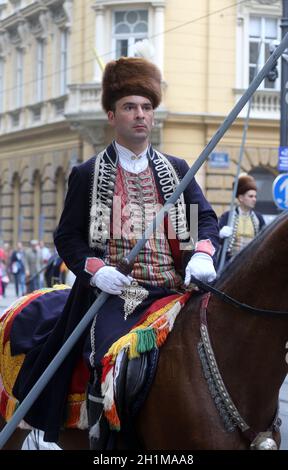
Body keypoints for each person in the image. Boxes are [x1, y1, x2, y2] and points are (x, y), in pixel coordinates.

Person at [12, 57, 219, 447]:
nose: (140, 115)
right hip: (119, 294)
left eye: (146, 108)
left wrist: (203, 254)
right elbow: (68, 237)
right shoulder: (89, 174)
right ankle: (104, 438)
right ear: (111, 115)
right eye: (129, 107)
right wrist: (95, 270)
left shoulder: (177, 169)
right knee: (109, 356)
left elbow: (204, 220)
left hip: (175, 290)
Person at [218, 173, 265, 265]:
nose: (254, 199)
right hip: (230, 264)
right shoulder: (227, 216)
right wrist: (220, 234)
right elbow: (214, 239)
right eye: (250, 196)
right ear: (241, 198)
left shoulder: (259, 218)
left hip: (251, 263)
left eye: (255, 196)